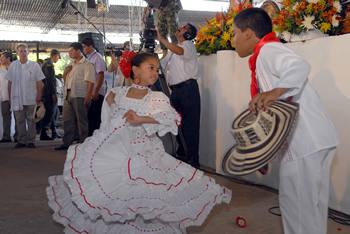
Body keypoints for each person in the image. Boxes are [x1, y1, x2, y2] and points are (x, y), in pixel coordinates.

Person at [46, 52, 231, 233]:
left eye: (157, 70)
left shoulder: (157, 98)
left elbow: (171, 117)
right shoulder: (116, 94)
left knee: (147, 204)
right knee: (118, 201)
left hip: (146, 156)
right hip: (120, 156)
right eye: (151, 67)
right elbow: (109, 125)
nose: (154, 73)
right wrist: (112, 104)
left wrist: (141, 119)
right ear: (135, 70)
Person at [233, 8, 339, 234]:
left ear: (248, 33)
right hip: (316, 140)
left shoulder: (269, 50)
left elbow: (299, 66)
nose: (233, 40)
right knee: (311, 212)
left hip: (302, 144)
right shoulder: (266, 53)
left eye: (235, 33)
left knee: (298, 214)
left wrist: (275, 92)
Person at [154, 23, 201, 169]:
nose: (179, 27)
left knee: (189, 127)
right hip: (175, 92)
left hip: (188, 90)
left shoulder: (188, 45)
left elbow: (180, 51)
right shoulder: (172, 51)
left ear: (188, 34)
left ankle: (192, 161)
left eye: (184, 27)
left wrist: (161, 39)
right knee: (177, 126)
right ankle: (181, 158)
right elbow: (160, 65)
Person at [55, 42, 95, 150]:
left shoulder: (87, 64)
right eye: (69, 51)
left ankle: (84, 142)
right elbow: (65, 79)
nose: (70, 53)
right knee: (67, 119)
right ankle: (67, 142)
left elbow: (91, 82)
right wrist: (65, 72)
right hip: (69, 95)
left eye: (71, 51)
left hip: (80, 95)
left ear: (78, 51)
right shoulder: (71, 64)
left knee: (81, 119)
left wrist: (88, 97)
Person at [5, 44, 45, 148]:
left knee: (31, 119)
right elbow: (9, 82)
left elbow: (39, 81)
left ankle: (31, 140)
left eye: (25, 51)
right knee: (19, 120)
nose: (23, 53)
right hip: (17, 97)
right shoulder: (14, 65)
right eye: (21, 51)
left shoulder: (34, 65)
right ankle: (21, 140)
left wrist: (39, 95)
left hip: (31, 96)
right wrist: (10, 97)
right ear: (17, 53)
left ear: (28, 52)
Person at [81, 37, 107, 136]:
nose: (83, 49)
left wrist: (96, 91)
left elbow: (101, 74)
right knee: (90, 118)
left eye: (84, 47)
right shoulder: (88, 58)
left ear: (90, 46)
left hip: (96, 92)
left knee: (95, 118)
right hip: (89, 92)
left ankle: (95, 139)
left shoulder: (97, 57)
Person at [40, 49, 62, 140]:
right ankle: (43, 133)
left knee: (54, 112)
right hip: (48, 92)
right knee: (48, 112)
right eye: (58, 57)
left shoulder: (48, 63)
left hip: (49, 91)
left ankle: (54, 131)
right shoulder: (48, 64)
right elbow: (49, 79)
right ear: (56, 55)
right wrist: (53, 93)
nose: (58, 59)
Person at [0, 52, 18, 143]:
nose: (0, 59)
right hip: (4, 97)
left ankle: (18, 136)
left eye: (2, 57)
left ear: (8, 58)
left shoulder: (16, 68)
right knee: (6, 118)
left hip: (16, 97)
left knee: (17, 117)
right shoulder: (1, 70)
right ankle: (6, 136)